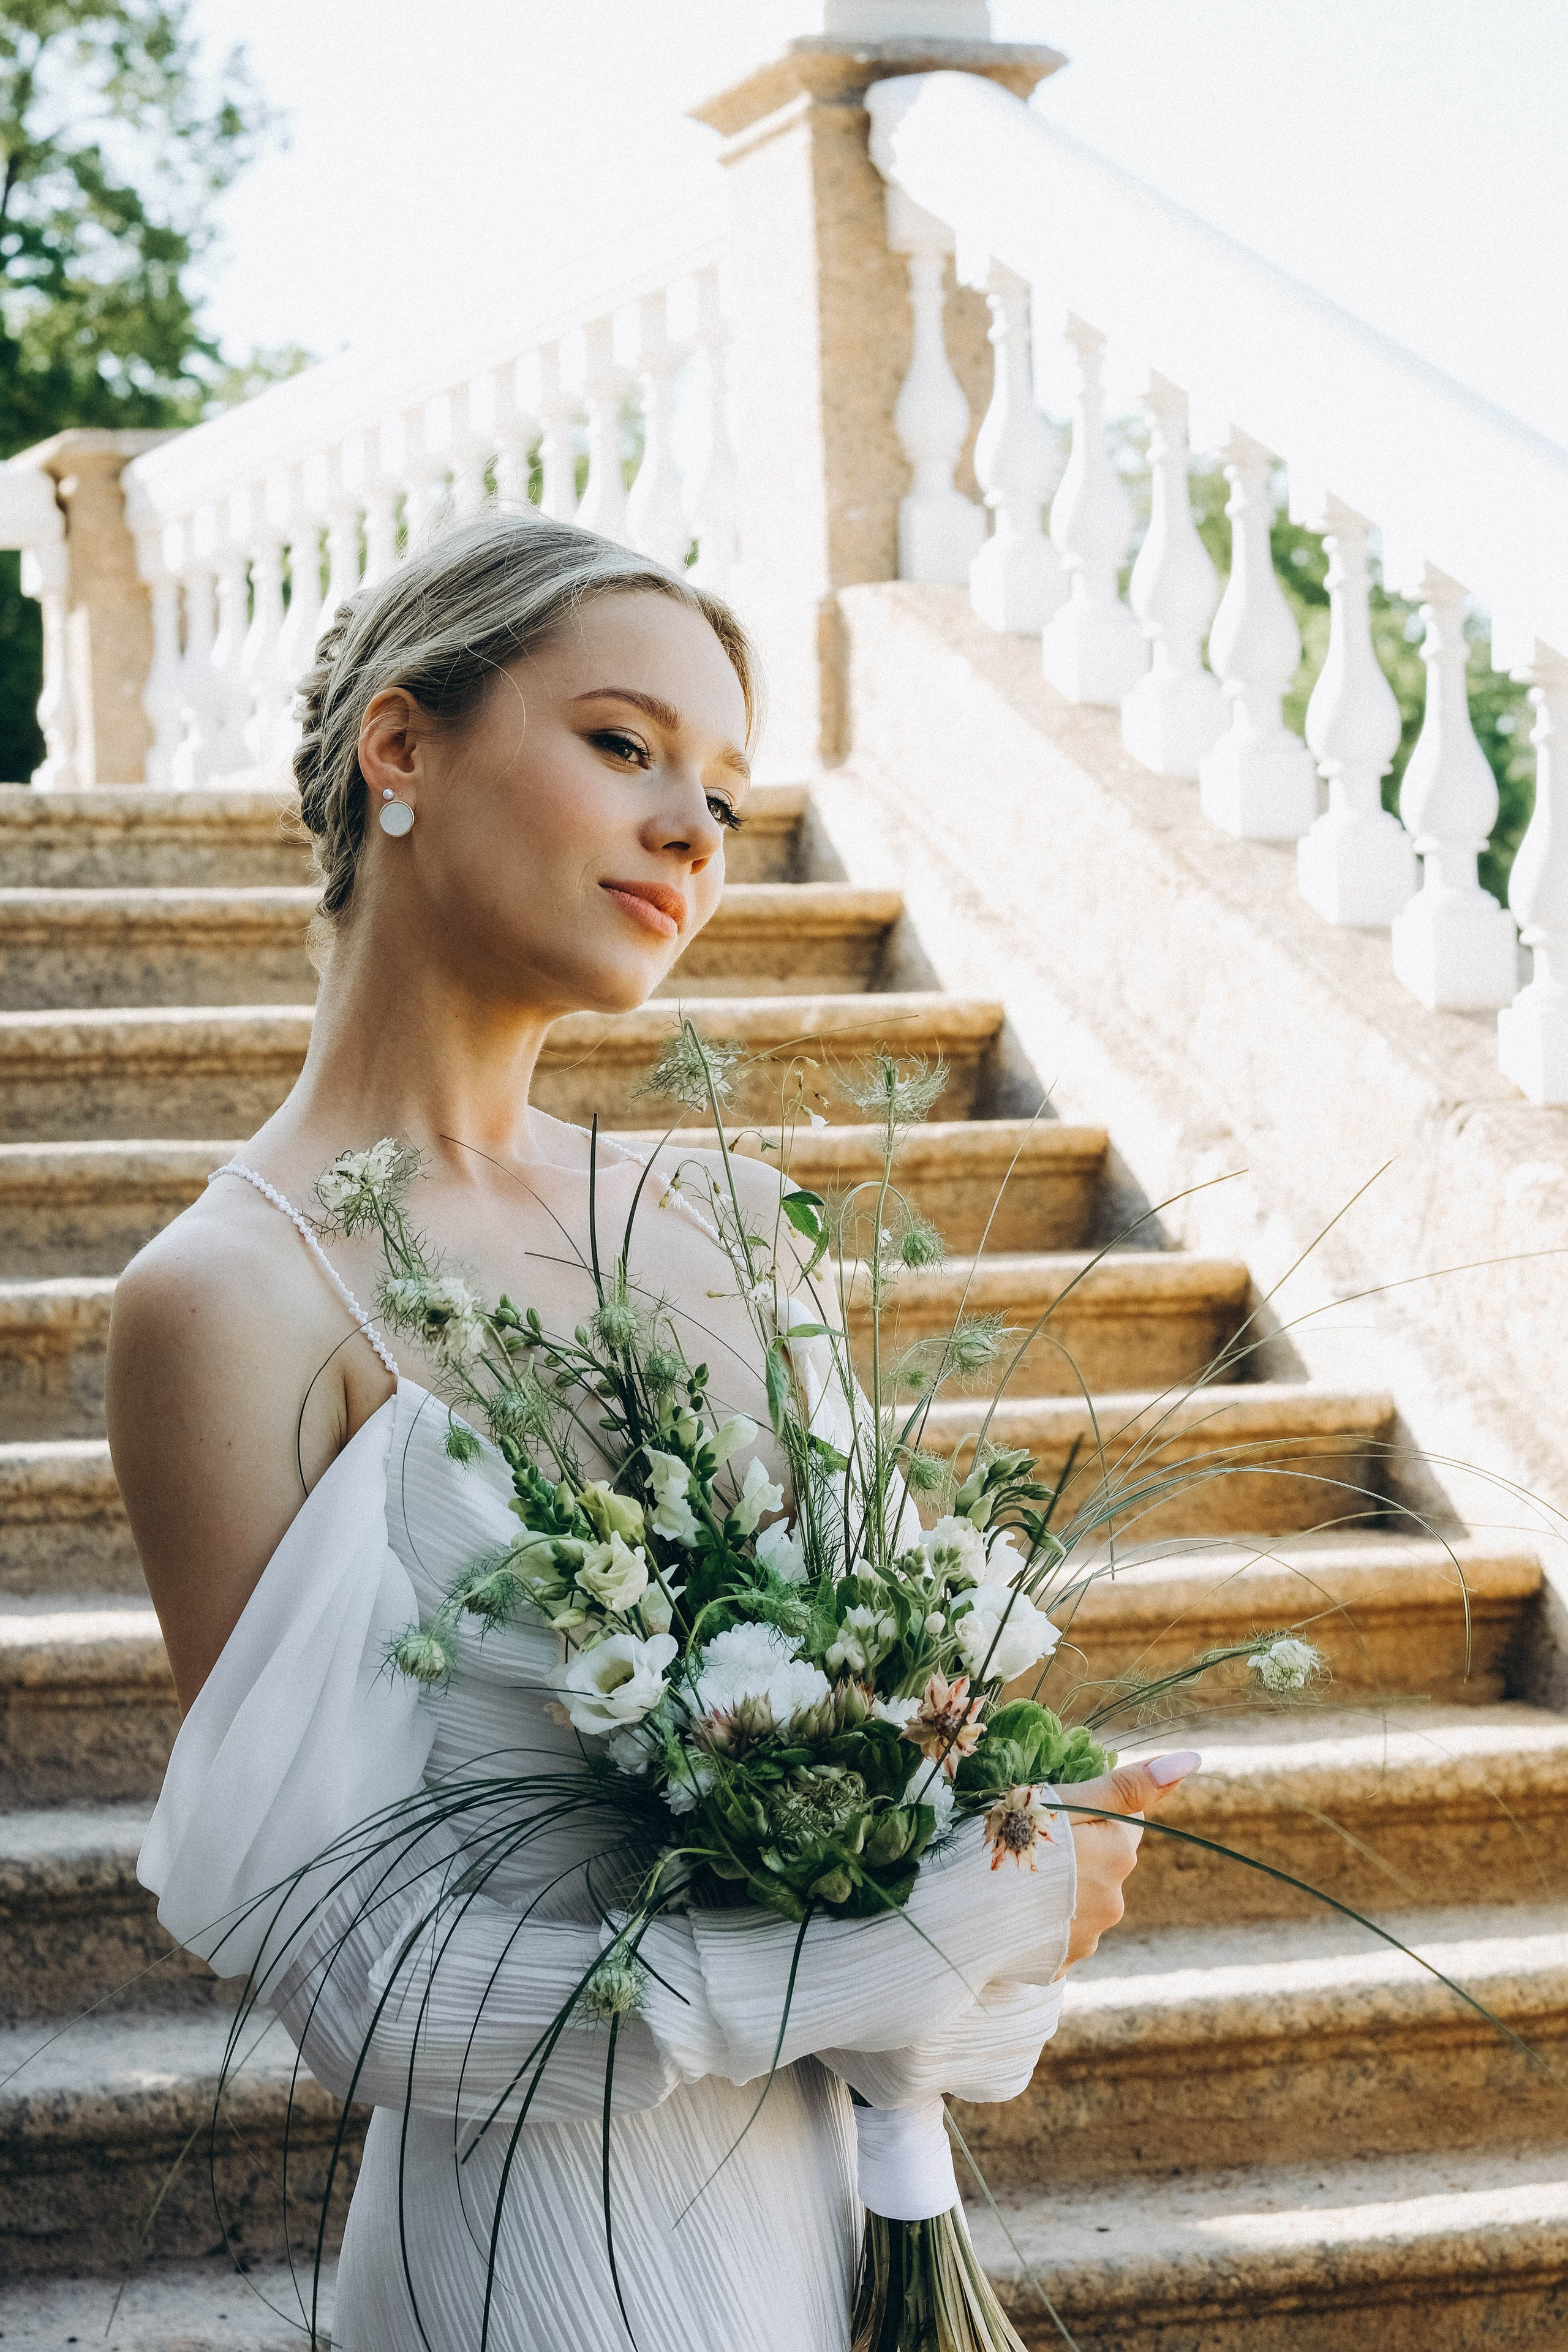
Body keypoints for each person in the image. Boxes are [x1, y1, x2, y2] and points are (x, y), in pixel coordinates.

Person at [108, 512, 1199, 2352]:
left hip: (836, 2214)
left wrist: (1005, 1885)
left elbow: (921, 1809)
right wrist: (894, 1945)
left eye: (727, 794)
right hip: (543, 2262)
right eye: (626, 745)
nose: (695, 831)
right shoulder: (229, 1298)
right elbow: (364, 1977)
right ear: (401, 747)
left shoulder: (732, 1225)